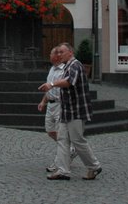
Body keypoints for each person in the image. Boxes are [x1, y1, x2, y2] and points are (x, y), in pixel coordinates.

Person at [39, 42, 103, 181]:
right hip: (66, 110)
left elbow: (69, 81)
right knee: (62, 139)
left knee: (77, 140)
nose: (59, 54)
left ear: (70, 53)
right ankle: (63, 170)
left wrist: (52, 84)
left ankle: (94, 166)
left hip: (76, 110)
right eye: (58, 52)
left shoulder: (75, 64)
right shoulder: (68, 65)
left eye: (62, 52)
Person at [38, 45, 75, 180]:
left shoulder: (64, 69)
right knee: (50, 131)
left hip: (60, 104)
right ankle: (69, 150)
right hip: (51, 104)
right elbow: (49, 87)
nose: (50, 56)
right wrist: (43, 101)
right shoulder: (52, 69)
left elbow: (64, 85)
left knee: (61, 137)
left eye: (52, 54)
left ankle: (60, 164)